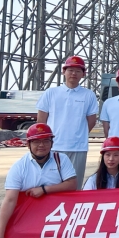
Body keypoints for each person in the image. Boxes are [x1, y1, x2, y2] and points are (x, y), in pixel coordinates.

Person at [0, 123, 77, 238]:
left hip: (58, 217)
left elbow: (72, 184)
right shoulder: (19, 167)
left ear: (52, 143)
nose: (42, 145)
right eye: (36, 141)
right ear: (28, 144)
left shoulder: (61, 159)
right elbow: (10, 200)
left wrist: (44, 190)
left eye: (46, 141)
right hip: (28, 218)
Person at [36, 55, 99, 189]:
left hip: (78, 148)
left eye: (78, 71)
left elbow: (92, 121)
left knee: (74, 184)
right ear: (64, 71)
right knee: (52, 183)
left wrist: (78, 134)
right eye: (70, 70)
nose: (73, 74)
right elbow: (41, 120)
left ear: (83, 74)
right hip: (54, 147)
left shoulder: (88, 95)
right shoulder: (51, 93)